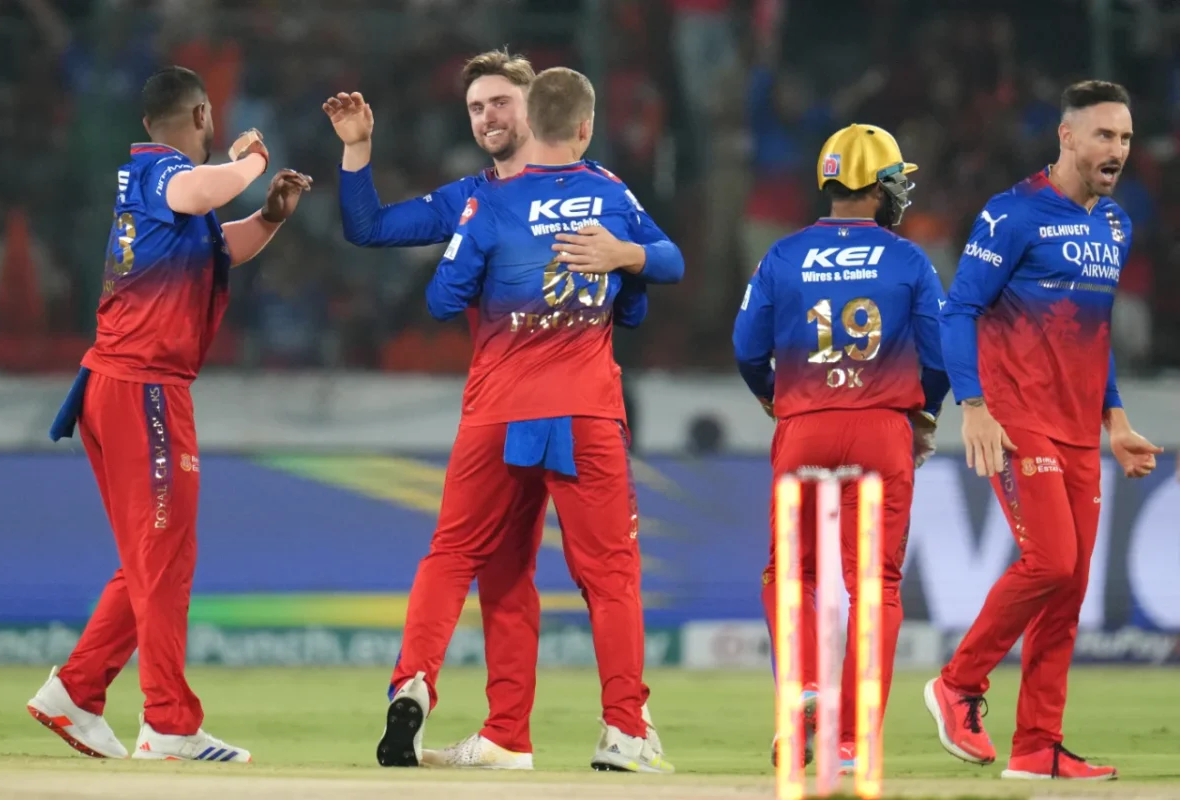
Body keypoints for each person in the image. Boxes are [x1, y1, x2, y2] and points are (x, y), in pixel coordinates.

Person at [325, 49, 681, 769]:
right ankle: (513, 733)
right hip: (579, 410)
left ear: (535, 108)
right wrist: (358, 150)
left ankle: (438, 694)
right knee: (530, 574)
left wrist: (475, 261)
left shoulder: (487, 208)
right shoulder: (523, 193)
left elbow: (443, 298)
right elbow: (367, 227)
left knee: (468, 557)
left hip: (500, 409)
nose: (487, 117)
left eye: (500, 103)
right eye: (475, 107)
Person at [27, 65, 311, 763]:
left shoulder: (161, 192)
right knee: (162, 558)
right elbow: (201, 188)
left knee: (154, 556)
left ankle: (76, 693)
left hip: (124, 385)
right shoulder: (162, 174)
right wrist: (253, 158)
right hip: (143, 387)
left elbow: (219, 247)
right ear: (203, 114)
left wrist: (269, 217)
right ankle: (169, 724)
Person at [924, 80, 1163, 781]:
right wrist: (973, 405)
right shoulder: (1012, 214)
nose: (1117, 149)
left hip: (1079, 428)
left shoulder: (1114, 225)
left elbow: (1093, 331)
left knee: (1070, 587)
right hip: (1016, 417)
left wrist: (1115, 418)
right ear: (1067, 136)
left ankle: (1036, 746)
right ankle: (958, 683)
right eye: (1104, 135)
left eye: (1125, 137)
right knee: (1053, 561)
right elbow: (958, 309)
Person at [733, 123, 948, 772]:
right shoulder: (909, 260)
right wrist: (924, 414)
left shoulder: (783, 255)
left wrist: (775, 398)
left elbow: (747, 348)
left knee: (791, 575)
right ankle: (851, 740)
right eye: (895, 180)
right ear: (878, 186)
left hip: (803, 426)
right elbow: (941, 356)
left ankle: (802, 687)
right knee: (874, 586)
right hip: (882, 429)